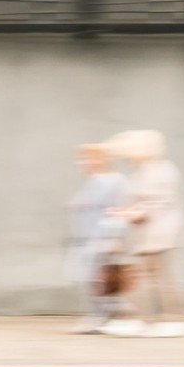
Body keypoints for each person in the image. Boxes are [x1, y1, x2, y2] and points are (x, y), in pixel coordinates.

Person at [101, 129, 184, 337]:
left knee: (162, 277)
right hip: (146, 233)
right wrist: (125, 211)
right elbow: (141, 201)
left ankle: (176, 319)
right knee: (143, 276)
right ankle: (136, 318)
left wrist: (135, 213)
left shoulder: (163, 170)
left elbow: (161, 202)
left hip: (160, 233)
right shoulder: (142, 170)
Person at [66, 142, 128, 333]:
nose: (81, 163)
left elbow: (116, 210)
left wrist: (112, 237)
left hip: (100, 238)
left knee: (100, 279)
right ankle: (103, 315)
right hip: (87, 239)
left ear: (100, 160)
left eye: (86, 158)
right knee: (93, 279)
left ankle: (103, 317)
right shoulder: (94, 181)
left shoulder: (113, 181)